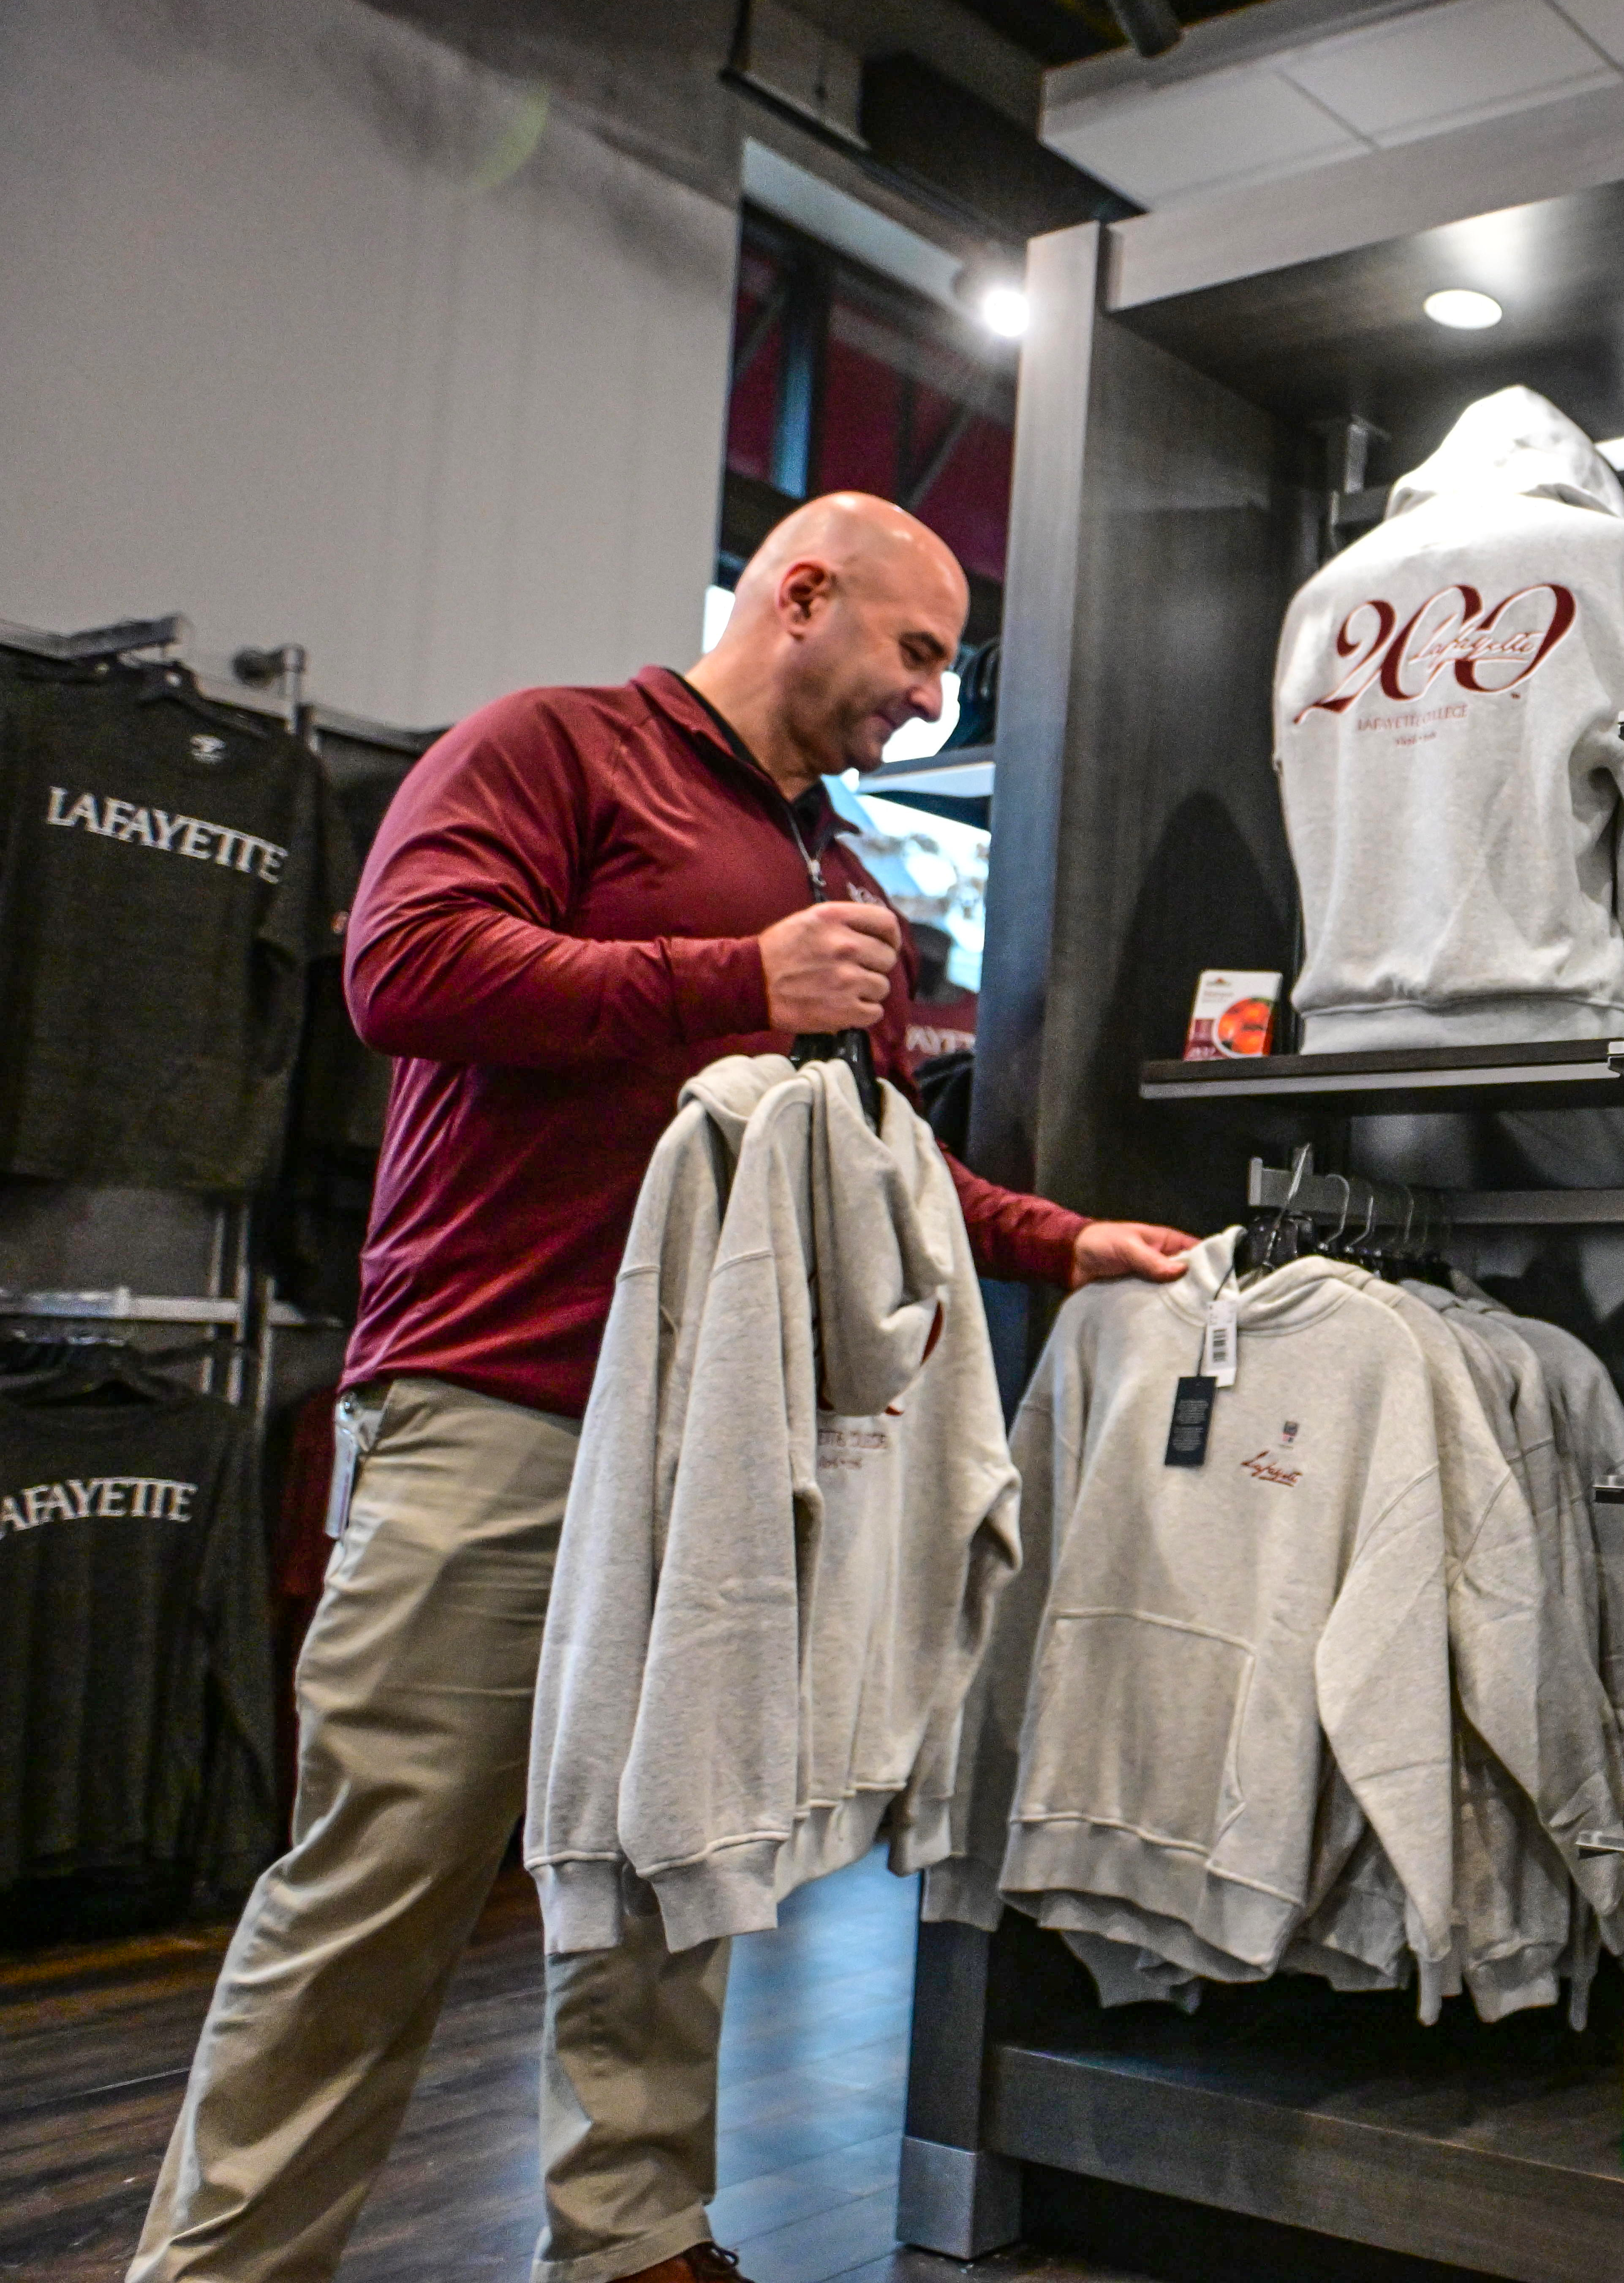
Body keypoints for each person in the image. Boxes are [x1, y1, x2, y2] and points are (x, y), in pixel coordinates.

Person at [127, 495, 1195, 2283]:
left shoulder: (844, 875)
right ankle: (220, 2263)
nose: (930, 705)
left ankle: (630, 2239)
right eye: (918, 651)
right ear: (802, 593)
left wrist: (1059, 1241)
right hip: (501, 1402)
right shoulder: (554, 747)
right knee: (383, 1883)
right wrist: (732, 977)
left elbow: (869, 1166)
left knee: (671, 1869)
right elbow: (402, 969)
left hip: (723, 1446)